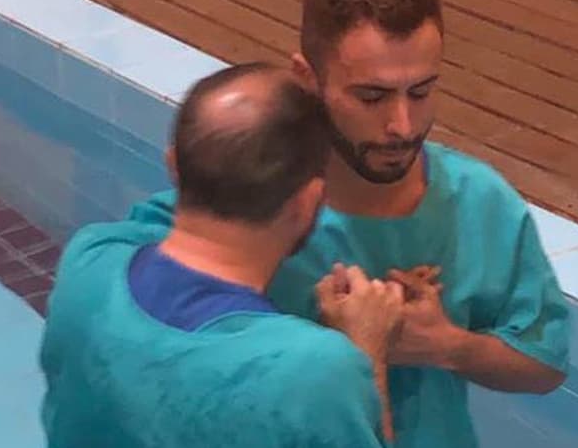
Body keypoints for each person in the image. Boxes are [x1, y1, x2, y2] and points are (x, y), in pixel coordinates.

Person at [130, 0, 572, 447]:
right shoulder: (248, 198)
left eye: (421, 92)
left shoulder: (480, 203)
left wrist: (448, 346)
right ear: (307, 80)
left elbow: (545, 365)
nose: (402, 126)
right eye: (372, 97)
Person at [39, 62, 407, 448]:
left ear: (173, 167)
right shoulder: (312, 372)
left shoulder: (90, 260)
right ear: (309, 200)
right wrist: (368, 349)